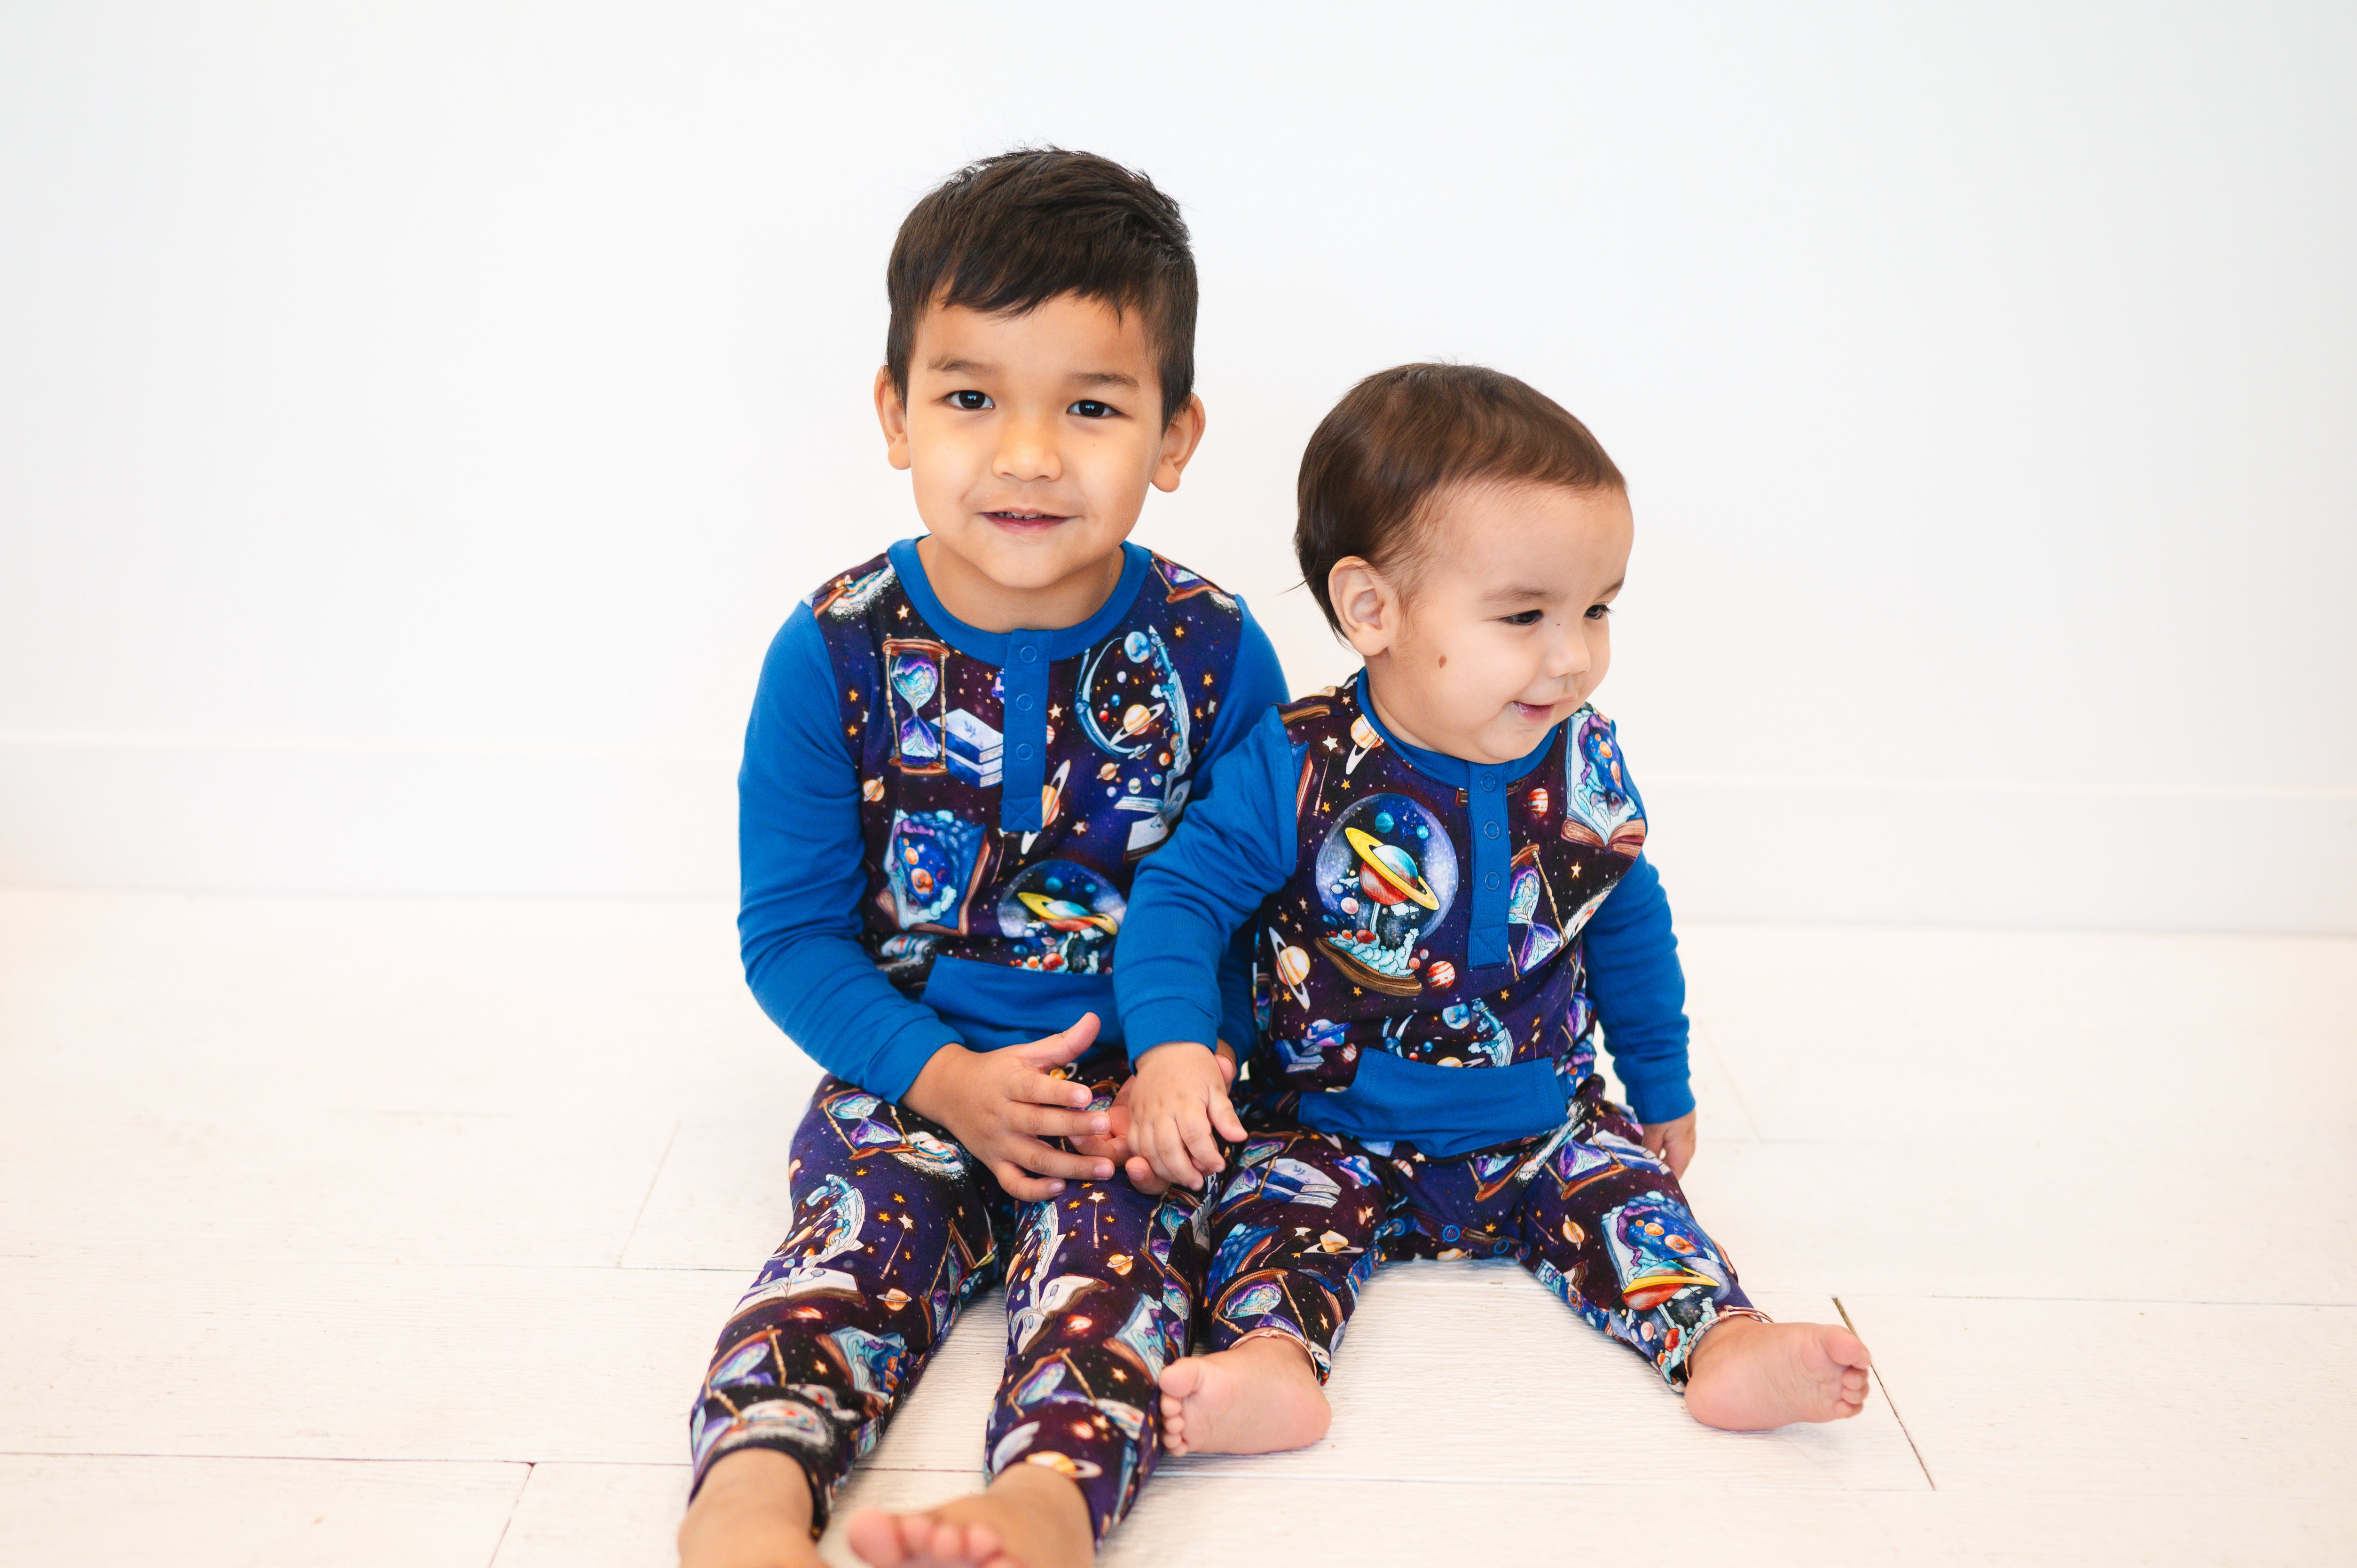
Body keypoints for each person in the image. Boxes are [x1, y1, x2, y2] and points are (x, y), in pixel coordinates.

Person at [676, 149, 1287, 1568]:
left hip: (1121, 1101)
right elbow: (793, 937)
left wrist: (1180, 1070)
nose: (1025, 454)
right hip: (913, 1070)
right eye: (968, 398)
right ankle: (751, 1498)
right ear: (895, 416)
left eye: (1089, 406)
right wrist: (941, 1080)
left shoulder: (1210, 653)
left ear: (1174, 437)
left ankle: (1040, 1508)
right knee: (841, 1266)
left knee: (1119, 1281)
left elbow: (1260, 908)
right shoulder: (832, 651)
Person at [1111, 363, 1874, 1459]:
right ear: (1369, 609)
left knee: (1634, 1208)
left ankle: (1724, 1343)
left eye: (1595, 609)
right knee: (1267, 1223)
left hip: (1539, 1119)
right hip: (1331, 1125)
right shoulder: (1298, 764)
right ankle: (1271, 1366)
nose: (1571, 657)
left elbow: (1624, 923)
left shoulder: (1582, 761)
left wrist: (1658, 1083)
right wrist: (1175, 1047)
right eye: (1525, 615)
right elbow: (1181, 898)